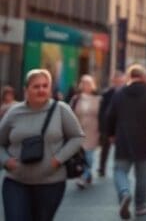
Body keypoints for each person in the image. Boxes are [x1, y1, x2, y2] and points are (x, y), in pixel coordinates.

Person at [0, 68, 85, 221]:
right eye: (36, 86)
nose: (41, 90)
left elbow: (77, 137)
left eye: (45, 86)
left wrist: (58, 159)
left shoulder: (61, 110)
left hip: (50, 183)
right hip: (16, 182)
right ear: (26, 90)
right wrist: (6, 160)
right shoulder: (13, 112)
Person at [106, 63, 146, 219]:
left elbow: (109, 116)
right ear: (144, 78)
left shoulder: (119, 94)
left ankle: (124, 192)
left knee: (119, 171)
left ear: (129, 77)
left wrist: (111, 134)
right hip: (144, 140)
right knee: (142, 175)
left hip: (123, 140)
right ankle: (140, 206)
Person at [70, 73, 101, 188]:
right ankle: (86, 173)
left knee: (89, 155)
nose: (85, 85)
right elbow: (70, 113)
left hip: (93, 130)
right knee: (80, 155)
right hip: (79, 130)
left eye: (88, 83)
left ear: (92, 85)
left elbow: (102, 116)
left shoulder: (98, 99)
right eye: (83, 83)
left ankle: (83, 177)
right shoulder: (76, 98)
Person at [98, 70, 125, 177]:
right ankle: (102, 167)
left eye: (120, 81)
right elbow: (102, 111)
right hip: (108, 125)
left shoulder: (126, 94)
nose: (118, 83)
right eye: (116, 80)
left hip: (121, 126)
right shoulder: (107, 94)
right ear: (113, 81)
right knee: (105, 148)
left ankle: (118, 168)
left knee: (119, 149)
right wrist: (102, 126)